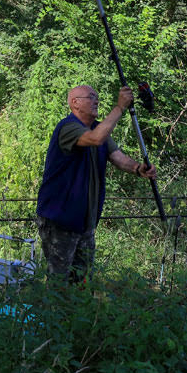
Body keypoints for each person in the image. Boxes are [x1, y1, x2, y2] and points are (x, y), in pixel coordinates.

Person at [35, 84, 158, 281]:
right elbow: (95, 139)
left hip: (85, 222)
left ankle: (78, 312)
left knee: (83, 281)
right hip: (60, 220)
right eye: (91, 97)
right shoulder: (68, 127)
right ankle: (55, 312)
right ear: (75, 103)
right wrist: (120, 108)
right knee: (58, 283)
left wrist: (138, 168)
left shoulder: (98, 128)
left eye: (97, 97)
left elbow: (118, 157)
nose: (96, 101)